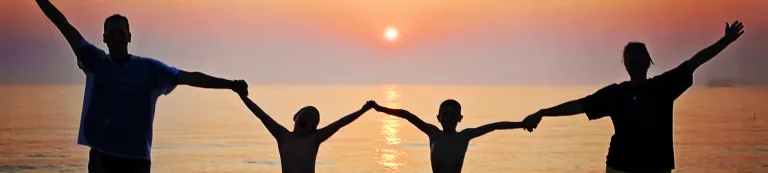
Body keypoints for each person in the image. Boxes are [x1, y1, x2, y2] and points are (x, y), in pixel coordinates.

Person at [34, 0, 249, 172]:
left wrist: (230, 84)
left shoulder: (150, 70)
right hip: (101, 159)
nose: (116, 36)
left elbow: (191, 78)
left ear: (129, 36)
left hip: (136, 161)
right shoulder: (95, 62)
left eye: (121, 32)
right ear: (104, 38)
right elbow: (63, 25)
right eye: (111, 32)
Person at [521, 21, 745, 173]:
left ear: (648, 62)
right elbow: (578, 106)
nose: (635, 62)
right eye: (631, 59)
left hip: (656, 167)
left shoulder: (663, 86)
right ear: (626, 64)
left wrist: (726, 41)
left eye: (638, 58)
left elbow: (696, 61)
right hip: (620, 167)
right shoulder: (615, 94)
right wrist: (542, 113)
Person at [372, 99, 525, 173]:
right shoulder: (433, 132)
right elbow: (406, 114)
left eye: (453, 115)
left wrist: (521, 124)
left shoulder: (465, 136)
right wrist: (379, 108)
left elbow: (495, 126)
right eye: (445, 115)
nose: (449, 118)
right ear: (439, 118)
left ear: (460, 118)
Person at [238, 94, 375, 173]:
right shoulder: (283, 136)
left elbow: (340, 123)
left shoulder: (314, 139)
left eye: (313, 119)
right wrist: (242, 96)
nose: (309, 118)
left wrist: (362, 110)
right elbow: (261, 115)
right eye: (306, 115)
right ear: (295, 117)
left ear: (314, 127)